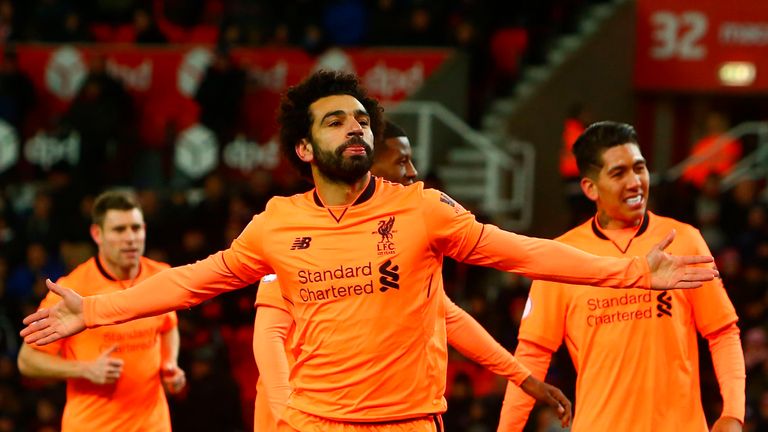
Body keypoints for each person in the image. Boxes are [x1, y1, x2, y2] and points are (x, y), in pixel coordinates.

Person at [21, 71, 717, 432]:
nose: (354, 127)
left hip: (408, 422)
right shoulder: (277, 224)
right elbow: (197, 281)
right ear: (304, 148)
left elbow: (523, 253)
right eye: (335, 120)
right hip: (317, 424)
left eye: (361, 118)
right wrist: (98, 309)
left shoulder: (420, 208)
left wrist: (629, 268)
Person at [251, 120, 571, 431]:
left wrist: (523, 378)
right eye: (401, 160)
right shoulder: (303, 228)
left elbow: (449, 317)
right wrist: (286, 416)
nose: (412, 172)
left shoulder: (396, 240)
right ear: (366, 165)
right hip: (300, 415)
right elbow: (268, 336)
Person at [497, 121, 745, 432]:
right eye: (618, 173)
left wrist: (733, 413)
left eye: (639, 168)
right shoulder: (560, 258)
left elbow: (722, 332)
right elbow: (532, 356)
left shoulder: (684, 240)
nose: (635, 182)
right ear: (590, 188)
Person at [17, 190, 186, 432]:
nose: (130, 238)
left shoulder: (161, 276)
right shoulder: (70, 290)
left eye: (136, 228)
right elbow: (27, 360)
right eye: (119, 230)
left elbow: (169, 326)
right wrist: (84, 369)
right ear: (97, 234)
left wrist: (170, 363)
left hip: (154, 424)